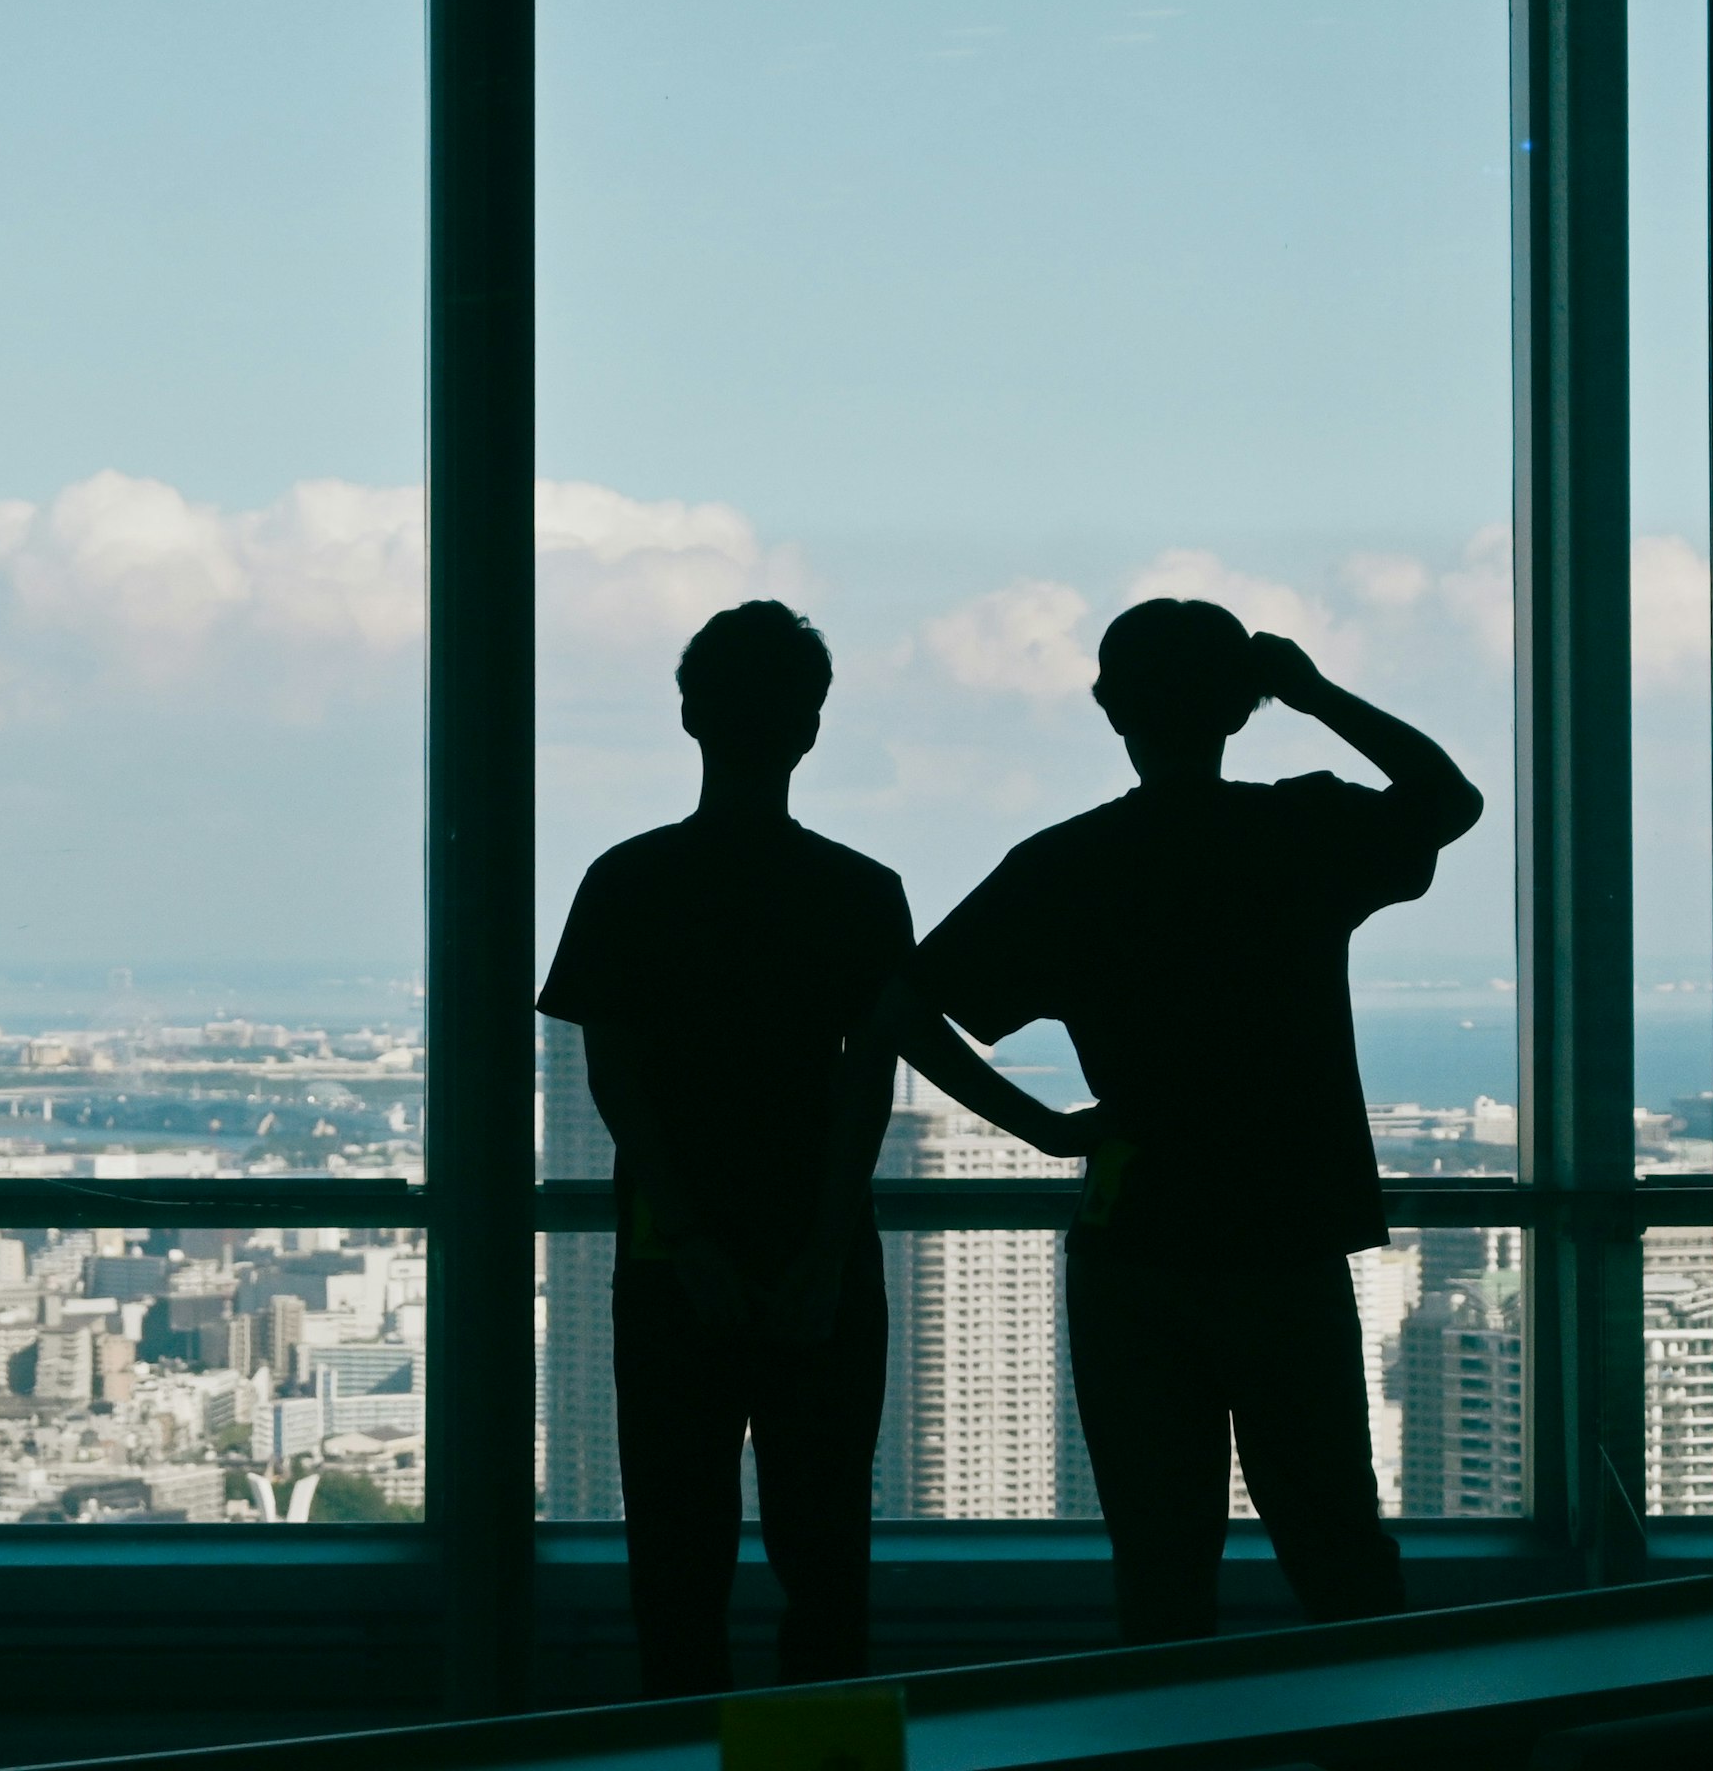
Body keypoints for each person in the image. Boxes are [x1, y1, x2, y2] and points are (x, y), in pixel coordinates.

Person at [889, 595, 1482, 1646]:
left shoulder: (1068, 863)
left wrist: (1043, 1128)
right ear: (1245, 707)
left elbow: (905, 1003)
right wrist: (1313, 689)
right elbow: (1448, 797)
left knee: (1160, 1564)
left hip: (1138, 1238)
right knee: (1337, 1544)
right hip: (1285, 1237)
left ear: (1110, 705)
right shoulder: (1299, 830)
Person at [537, 600, 1095, 1696]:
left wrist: (691, 1240)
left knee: (676, 1556)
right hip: (822, 1260)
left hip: (669, 1264)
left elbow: (618, 1078)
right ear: (812, 728)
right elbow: (876, 1071)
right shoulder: (855, 889)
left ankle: (681, 1753)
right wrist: (832, 1246)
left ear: (689, 714)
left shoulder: (628, 879)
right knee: (826, 1553)